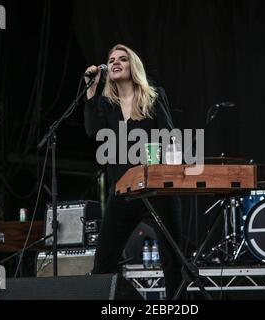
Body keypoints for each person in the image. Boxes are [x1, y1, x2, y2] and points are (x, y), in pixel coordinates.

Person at [84, 44, 182, 299]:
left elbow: (171, 136)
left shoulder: (154, 96)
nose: (115, 62)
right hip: (123, 191)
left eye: (122, 59)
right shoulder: (107, 105)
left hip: (157, 189)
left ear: (133, 65)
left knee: (172, 261)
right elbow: (93, 131)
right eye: (111, 59)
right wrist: (91, 89)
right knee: (103, 264)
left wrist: (173, 168)